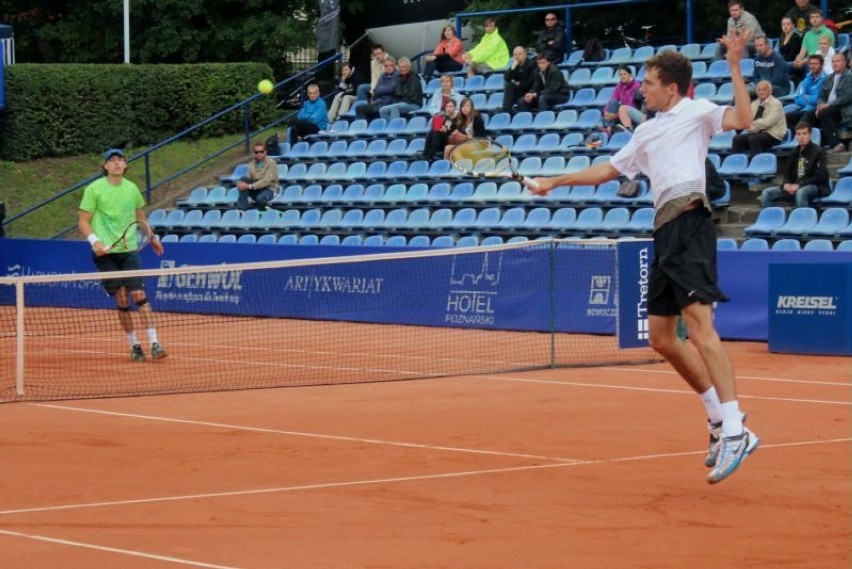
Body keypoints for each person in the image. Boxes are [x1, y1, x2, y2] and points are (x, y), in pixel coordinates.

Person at [529, 32, 760, 484]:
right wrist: (553, 182)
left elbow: (745, 118)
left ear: (671, 87)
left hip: (692, 224)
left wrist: (735, 65)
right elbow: (607, 171)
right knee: (661, 337)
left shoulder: (697, 112)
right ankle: (716, 417)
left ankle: (736, 429)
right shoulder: (645, 131)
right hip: (663, 233)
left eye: (650, 83)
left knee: (699, 329)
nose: (642, 90)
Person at [78, 149, 167, 362]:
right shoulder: (94, 189)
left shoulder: (132, 188)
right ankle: (134, 345)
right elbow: (83, 221)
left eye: (121, 160)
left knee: (138, 294)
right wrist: (95, 242)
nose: (117, 163)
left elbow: (140, 216)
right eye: (112, 160)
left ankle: (155, 343)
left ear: (125, 165)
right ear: (106, 166)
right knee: (121, 297)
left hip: (129, 250)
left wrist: (152, 236)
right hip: (105, 253)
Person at [759, 122, 828, 207]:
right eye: (799, 134)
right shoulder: (794, 152)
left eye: (804, 134)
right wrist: (786, 184)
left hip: (815, 187)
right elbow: (787, 173)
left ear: (810, 135)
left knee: (801, 192)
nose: (801, 137)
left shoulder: (819, 152)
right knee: (767, 193)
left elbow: (819, 177)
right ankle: (771, 219)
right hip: (795, 186)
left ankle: (800, 219)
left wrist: (799, 186)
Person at [808, 52, 852, 153]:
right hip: (828, 108)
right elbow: (821, 95)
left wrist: (828, 105)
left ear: (845, 63)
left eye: (838, 61)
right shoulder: (828, 78)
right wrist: (820, 105)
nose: (834, 64)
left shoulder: (850, 77)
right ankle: (810, 146)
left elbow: (847, 97)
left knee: (824, 113)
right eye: (833, 61)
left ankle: (837, 144)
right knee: (809, 115)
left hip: (843, 110)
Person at [732, 80, 786, 155]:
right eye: (759, 90)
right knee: (737, 139)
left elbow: (767, 122)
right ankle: (737, 164)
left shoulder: (776, 104)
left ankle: (757, 163)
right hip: (756, 132)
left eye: (764, 89)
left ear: (770, 91)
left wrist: (751, 125)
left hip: (773, 135)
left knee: (753, 139)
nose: (761, 92)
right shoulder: (754, 104)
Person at [236, 142, 278, 210]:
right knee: (243, 179)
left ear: (265, 152)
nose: (259, 154)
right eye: (256, 152)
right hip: (256, 190)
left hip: (269, 190)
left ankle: (267, 208)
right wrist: (240, 183)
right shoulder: (251, 164)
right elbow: (248, 178)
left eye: (261, 151)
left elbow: (267, 181)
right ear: (254, 153)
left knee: (260, 199)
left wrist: (250, 186)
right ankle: (241, 209)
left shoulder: (271, 163)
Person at [786, 53, 825, 126]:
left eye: (816, 64)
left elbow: (818, 99)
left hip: (815, 111)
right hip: (804, 108)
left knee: (802, 121)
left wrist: (805, 97)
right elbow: (797, 98)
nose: (813, 66)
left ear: (822, 66)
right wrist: (809, 100)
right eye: (811, 64)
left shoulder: (825, 80)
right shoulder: (807, 78)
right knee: (785, 118)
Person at [793, 9, 836, 73]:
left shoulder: (828, 33)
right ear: (810, 20)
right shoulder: (808, 34)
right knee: (785, 66)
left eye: (817, 17)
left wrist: (804, 61)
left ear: (822, 19)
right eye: (812, 17)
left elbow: (825, 54)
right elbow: (802, 53)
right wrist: (797, 60)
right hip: (806, 63)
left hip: (820, 64)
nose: (814, 19)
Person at [602, 66, 641, 133]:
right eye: (621, 75)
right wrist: (605, 112)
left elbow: (631, 106)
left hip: (632, 112)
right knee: (612, 102)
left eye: (625, 74)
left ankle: (608, 129)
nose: (622, 76)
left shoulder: (636, 85)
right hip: (621, 111)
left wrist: (616, 115)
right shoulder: (619, 85)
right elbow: (613, 98)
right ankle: (609, 128)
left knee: (620, 108)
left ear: (630, 75)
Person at [502, 46, 537, 113]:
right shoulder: (515, 65)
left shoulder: (532, 64)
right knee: (508, 85)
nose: (517, 56)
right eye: (515, 54)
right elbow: (506, 78)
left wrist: (520, 84)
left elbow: (533, 82)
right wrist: (512, 67)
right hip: (520, 93)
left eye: (519, 54)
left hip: (530, 93)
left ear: (525, 55)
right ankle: (506, 111)